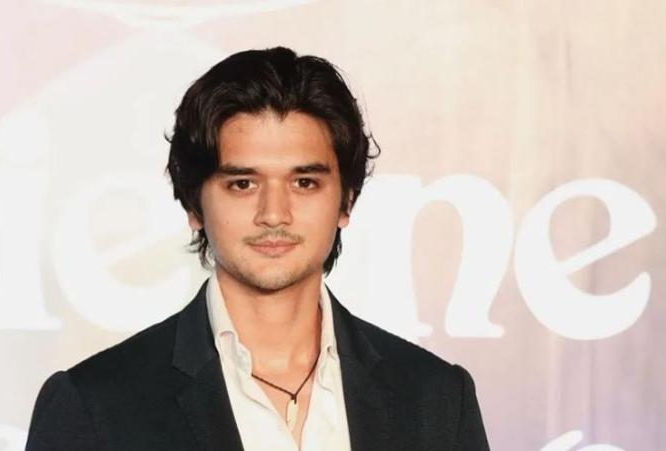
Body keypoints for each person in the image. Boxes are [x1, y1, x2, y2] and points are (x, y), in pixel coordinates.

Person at [25, 46, 490, 451]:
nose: (274, 214)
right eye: (243, 184)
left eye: (304, 182)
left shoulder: (436, 398)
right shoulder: (95, 406)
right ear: (194, 204)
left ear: (346, 201)